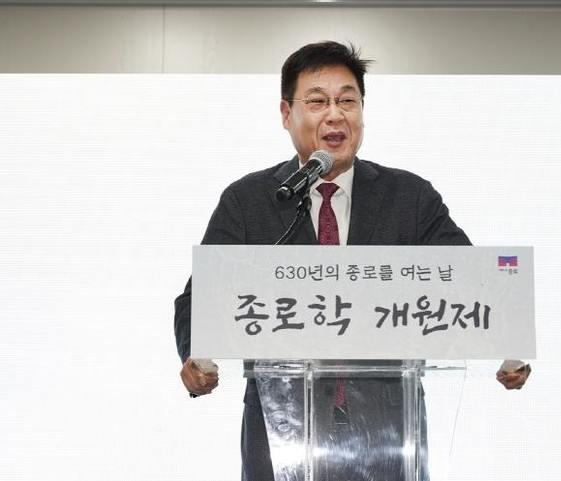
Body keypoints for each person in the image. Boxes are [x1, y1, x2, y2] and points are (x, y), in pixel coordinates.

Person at [175, 40, 531, 481]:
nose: (335, 115)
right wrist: (196, 358)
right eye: (317, 102)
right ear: (286, 114)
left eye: (348, 101)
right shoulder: (249, 201)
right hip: (280, 436)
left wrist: (509, 346)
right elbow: (199, 298)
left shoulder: (409, 198)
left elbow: (472, 282)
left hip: (388, 436)